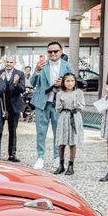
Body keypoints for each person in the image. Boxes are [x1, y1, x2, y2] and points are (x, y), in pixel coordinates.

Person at [30, 41, 75, 170]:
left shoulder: (68, 66)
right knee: (41, 132)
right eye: (50, 51)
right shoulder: (42, 65)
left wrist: (64, 84)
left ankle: (57, 158)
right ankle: (40, 157)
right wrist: (37, 71)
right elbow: (33, 83)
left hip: (60, 104)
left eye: (55, 51)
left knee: (58, 132)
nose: (53, 53)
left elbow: (73, 85)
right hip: (42, 103)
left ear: (61, 52)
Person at [54, 73, 85, 175]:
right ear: (63, 82)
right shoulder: (60, 93)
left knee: (72, 143)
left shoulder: (78, 92)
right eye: (67, 81)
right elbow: (57, 109)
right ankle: (61, 165)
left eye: (72, 81)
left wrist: (76, 103)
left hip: (74, 117)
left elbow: (82, 107)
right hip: (64, 117)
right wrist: (61, 102)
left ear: (75, 82)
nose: (70, 83)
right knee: (61, 143)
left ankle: (71, 165)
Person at [0, 56, 25, 162]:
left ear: (15, 63)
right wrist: (1, 80)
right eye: (7, 62)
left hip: (14, 107)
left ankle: (12, 155)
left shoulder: (20, 74)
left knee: (12, 131)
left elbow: (22, 90)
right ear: (4, 62)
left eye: (11, 62)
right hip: (2, 106)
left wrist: (16, 83)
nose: (8, 64)